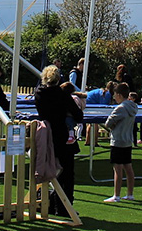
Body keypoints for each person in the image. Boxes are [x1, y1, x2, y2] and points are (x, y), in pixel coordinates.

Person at [35, 65, 83, 217]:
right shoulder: (61, 94)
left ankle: (49, 203)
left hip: (46, 135)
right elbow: (78, 115)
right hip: (62, 136)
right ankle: (64, 207)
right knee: (67, 174)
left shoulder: (39, 93)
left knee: (48, 170)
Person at [103, 82, 138, 203]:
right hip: (127, 140)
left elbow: (108, 123)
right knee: (128, 168)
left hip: (118, 141)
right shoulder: (133, 107)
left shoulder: (120, 108)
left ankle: (116, 195)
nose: (113, 97)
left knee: (117, 169)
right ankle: (130, 194)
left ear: (119, 94)